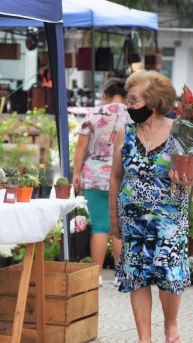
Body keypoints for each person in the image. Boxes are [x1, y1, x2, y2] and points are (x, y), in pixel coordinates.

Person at [109, 71, 193, 343]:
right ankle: (144, 340)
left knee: (169, 274)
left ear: (153, 100)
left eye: (134, 99)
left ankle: (170, 327)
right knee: (136, 275)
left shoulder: (181, 131)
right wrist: (114, 219)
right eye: (128, 99)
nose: (129, 105)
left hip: (169, 218)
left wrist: (191, 179)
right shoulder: (126, 131)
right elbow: (115, 177)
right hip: (133, 217)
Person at [73, 78, 130, 286]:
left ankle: (95, 276)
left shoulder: (93, 113)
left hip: (94, 175)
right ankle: (121, 275)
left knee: (99, 225)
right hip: (123, 175)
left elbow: (81, 147)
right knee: (119, 226)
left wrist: (76, 174)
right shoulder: (132, 114)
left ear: (105, 95)